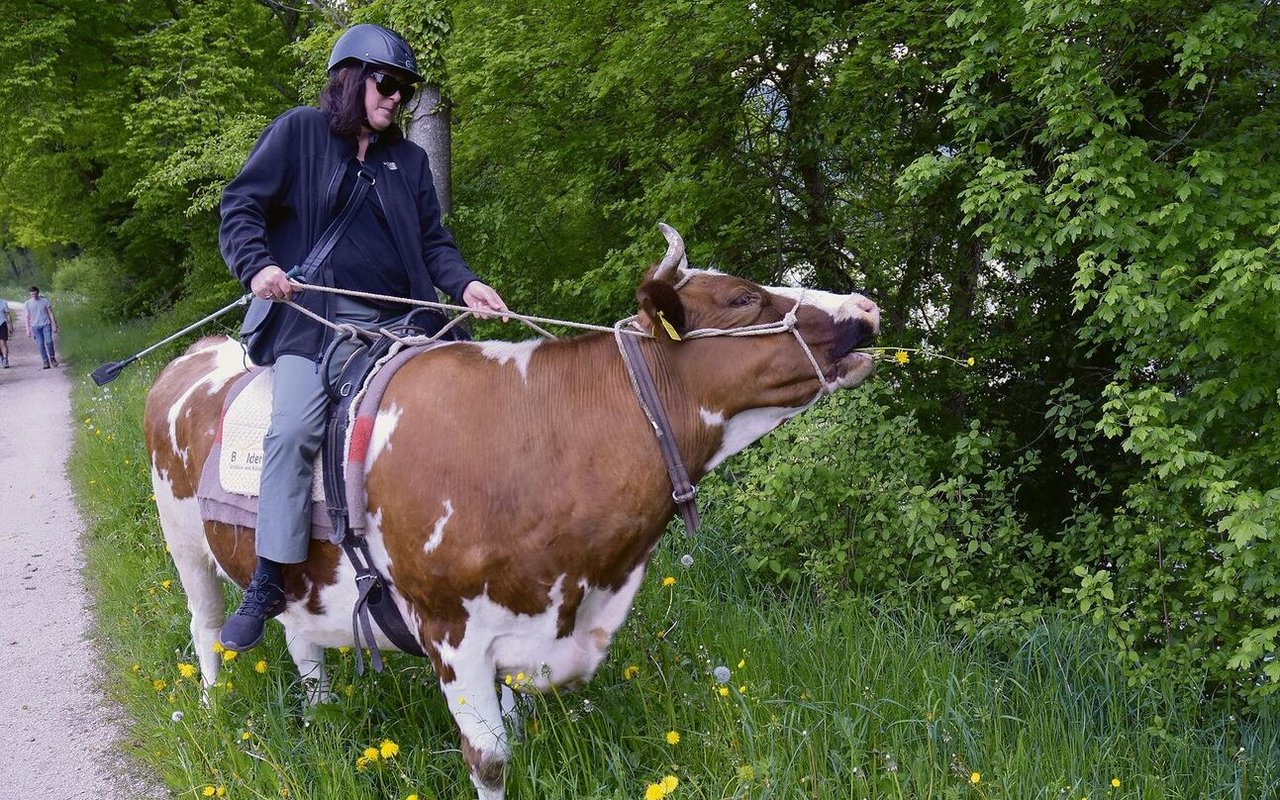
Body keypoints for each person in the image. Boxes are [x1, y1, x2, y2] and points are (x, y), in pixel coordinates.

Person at [217, 23, 508, 651]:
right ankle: (269, 579)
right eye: (388, 83)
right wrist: (258, 265)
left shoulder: (410, 161)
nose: (397, 97)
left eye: (405, 89)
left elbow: (435, 244)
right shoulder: (299, 132)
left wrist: (466, 286)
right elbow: (240, 206)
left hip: (406, 325)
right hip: (315, 322)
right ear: (350, 78)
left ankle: (474, 565)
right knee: (293, 429)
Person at [24, 287, 58, 369]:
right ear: (30, 294)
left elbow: (51, 313)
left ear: (38, 293)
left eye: (35, 294)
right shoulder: (27, 303)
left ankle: (52, 358)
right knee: (40, 345)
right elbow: (27, 317)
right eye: (32, 294)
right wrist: (28, 329)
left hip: (46, 324)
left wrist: (54, 325)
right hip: (35, 326)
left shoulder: (45, 301)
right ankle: (45, 362)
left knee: (49, 341)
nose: (34, 296)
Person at [0, 300, 10, 368]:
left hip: (2, 324)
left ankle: (5, 359)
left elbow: (8, 314)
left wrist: (10, 325)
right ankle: (2, 357)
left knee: (3, 343)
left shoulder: (3, 303)